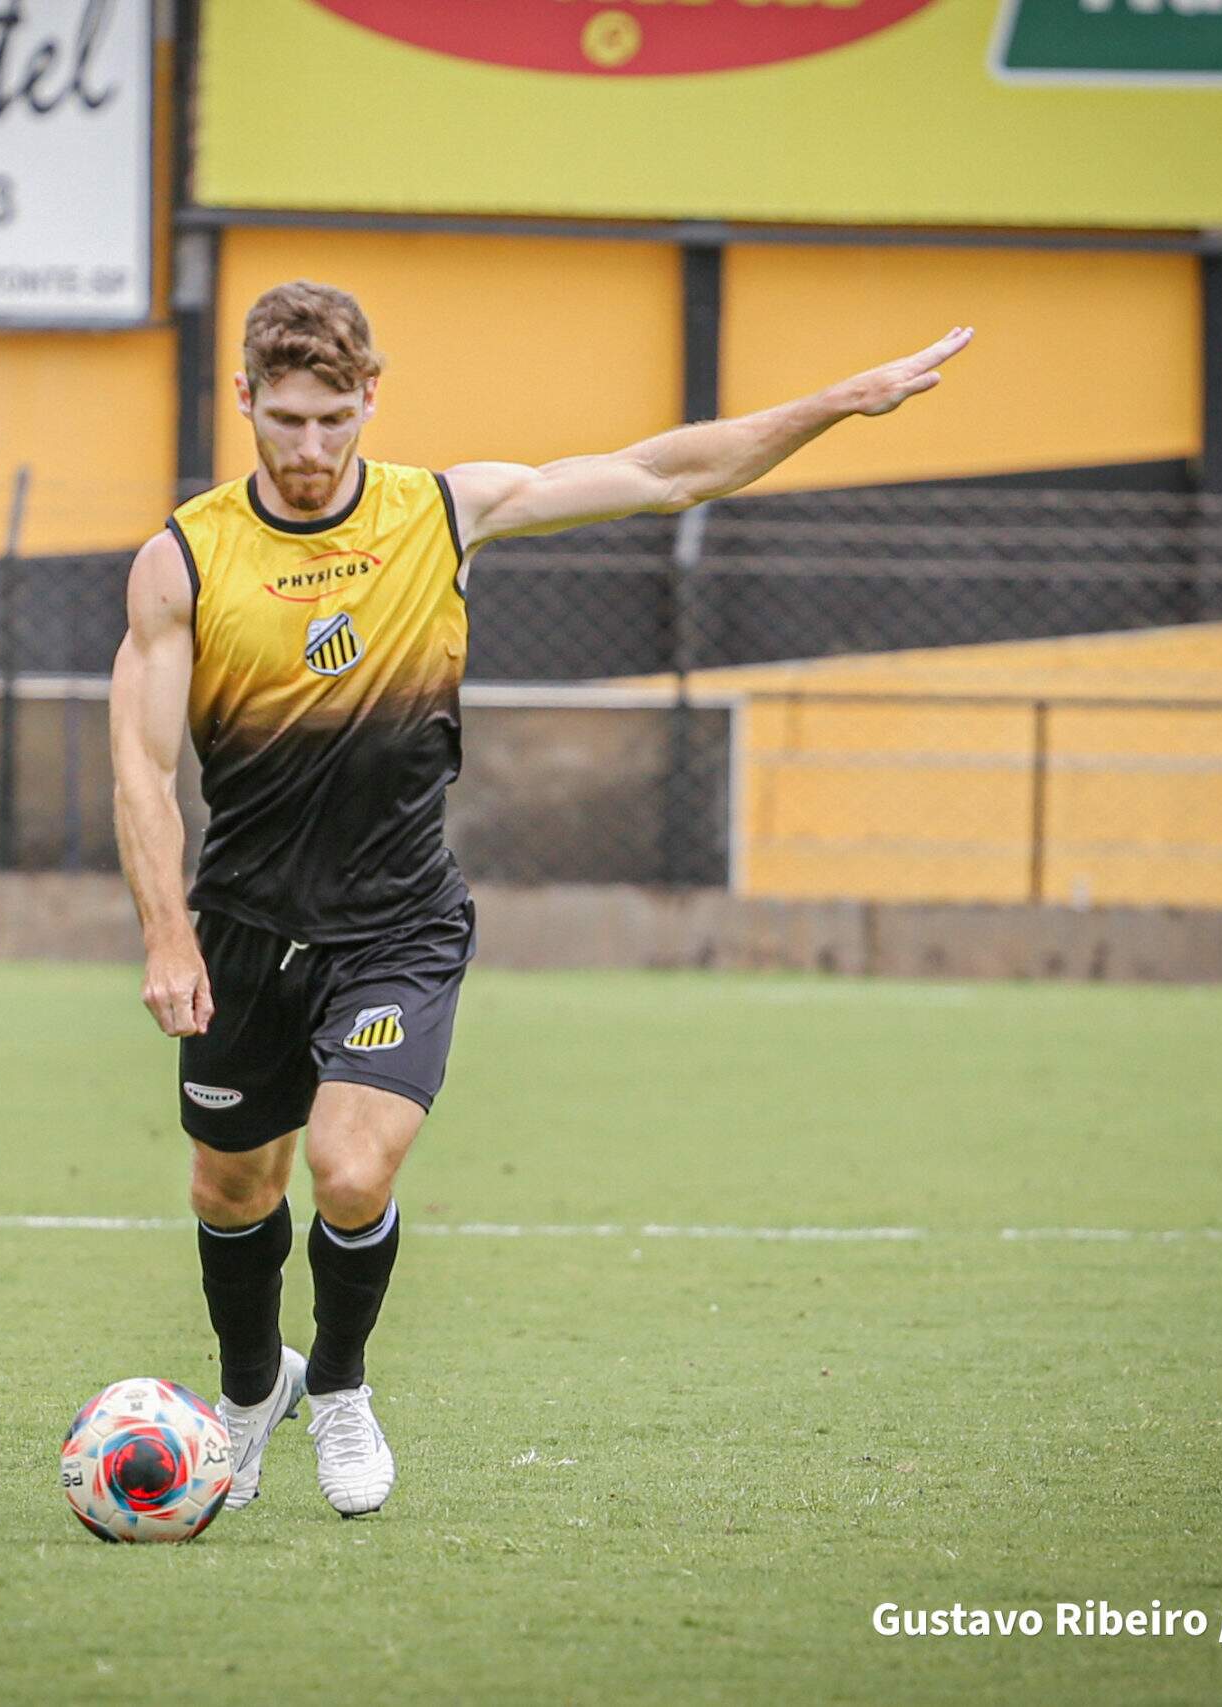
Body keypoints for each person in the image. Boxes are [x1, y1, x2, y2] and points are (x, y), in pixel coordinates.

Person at [108, 280, 971, 1517]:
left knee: (350, 1173)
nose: (309, 451)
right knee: (230, 1191)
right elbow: (139, 764)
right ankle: (254, 1391)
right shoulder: (182, 559)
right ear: (241, 398)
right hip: (243, 926)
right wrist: (166, 934)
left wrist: (835, 403)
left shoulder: (440, 513)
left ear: (371, 401)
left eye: (334, 419)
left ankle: (339, 1387)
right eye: (285, 420)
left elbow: (665, 474)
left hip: (396, 924)